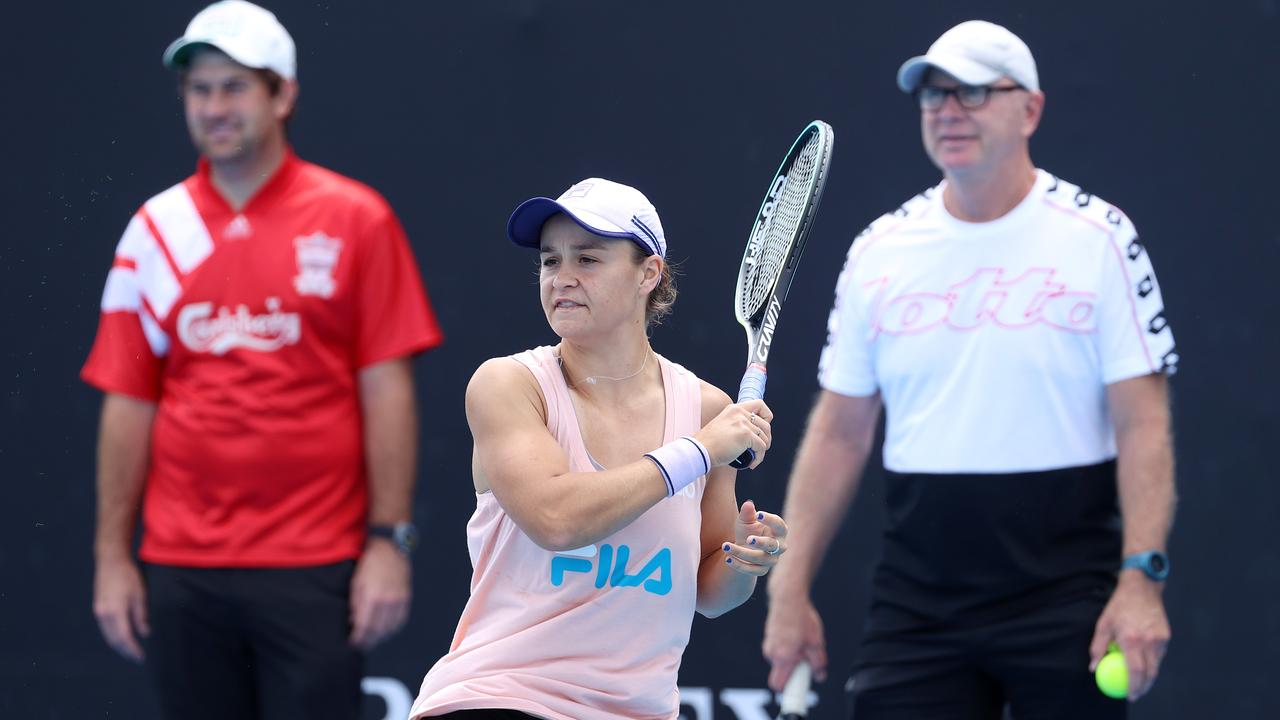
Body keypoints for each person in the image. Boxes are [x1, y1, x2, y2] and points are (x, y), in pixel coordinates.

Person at [761, 20, 1177, 719]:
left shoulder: (1101, 238)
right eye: (932, 94)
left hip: (1069, 596)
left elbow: (1144, 426)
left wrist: (1142, 576)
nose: (947, 110)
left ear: (1031, 109)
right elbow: (839, 435)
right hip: (918, 600)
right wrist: (789, 590)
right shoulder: (880, 250)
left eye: (973, 92)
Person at [80, 2, 444, 718]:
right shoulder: (155, 230)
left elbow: (387, 393)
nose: (214, 106)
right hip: (182, 567)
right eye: (199, 88)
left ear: (283, 95)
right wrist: (112, 556)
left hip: (315, 566)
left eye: (234, 86)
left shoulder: (355, 219)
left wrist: (388, 541)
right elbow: (127, 401)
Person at [409, 178, 788, 720]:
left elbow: (708, 591)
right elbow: (556, 520)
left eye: (587, 259)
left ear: (648, 273)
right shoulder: (508, 385)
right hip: (501, 699)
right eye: (549, 262)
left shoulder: (706, 409)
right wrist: (699, 451)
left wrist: (745, 561)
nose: (561, 279)